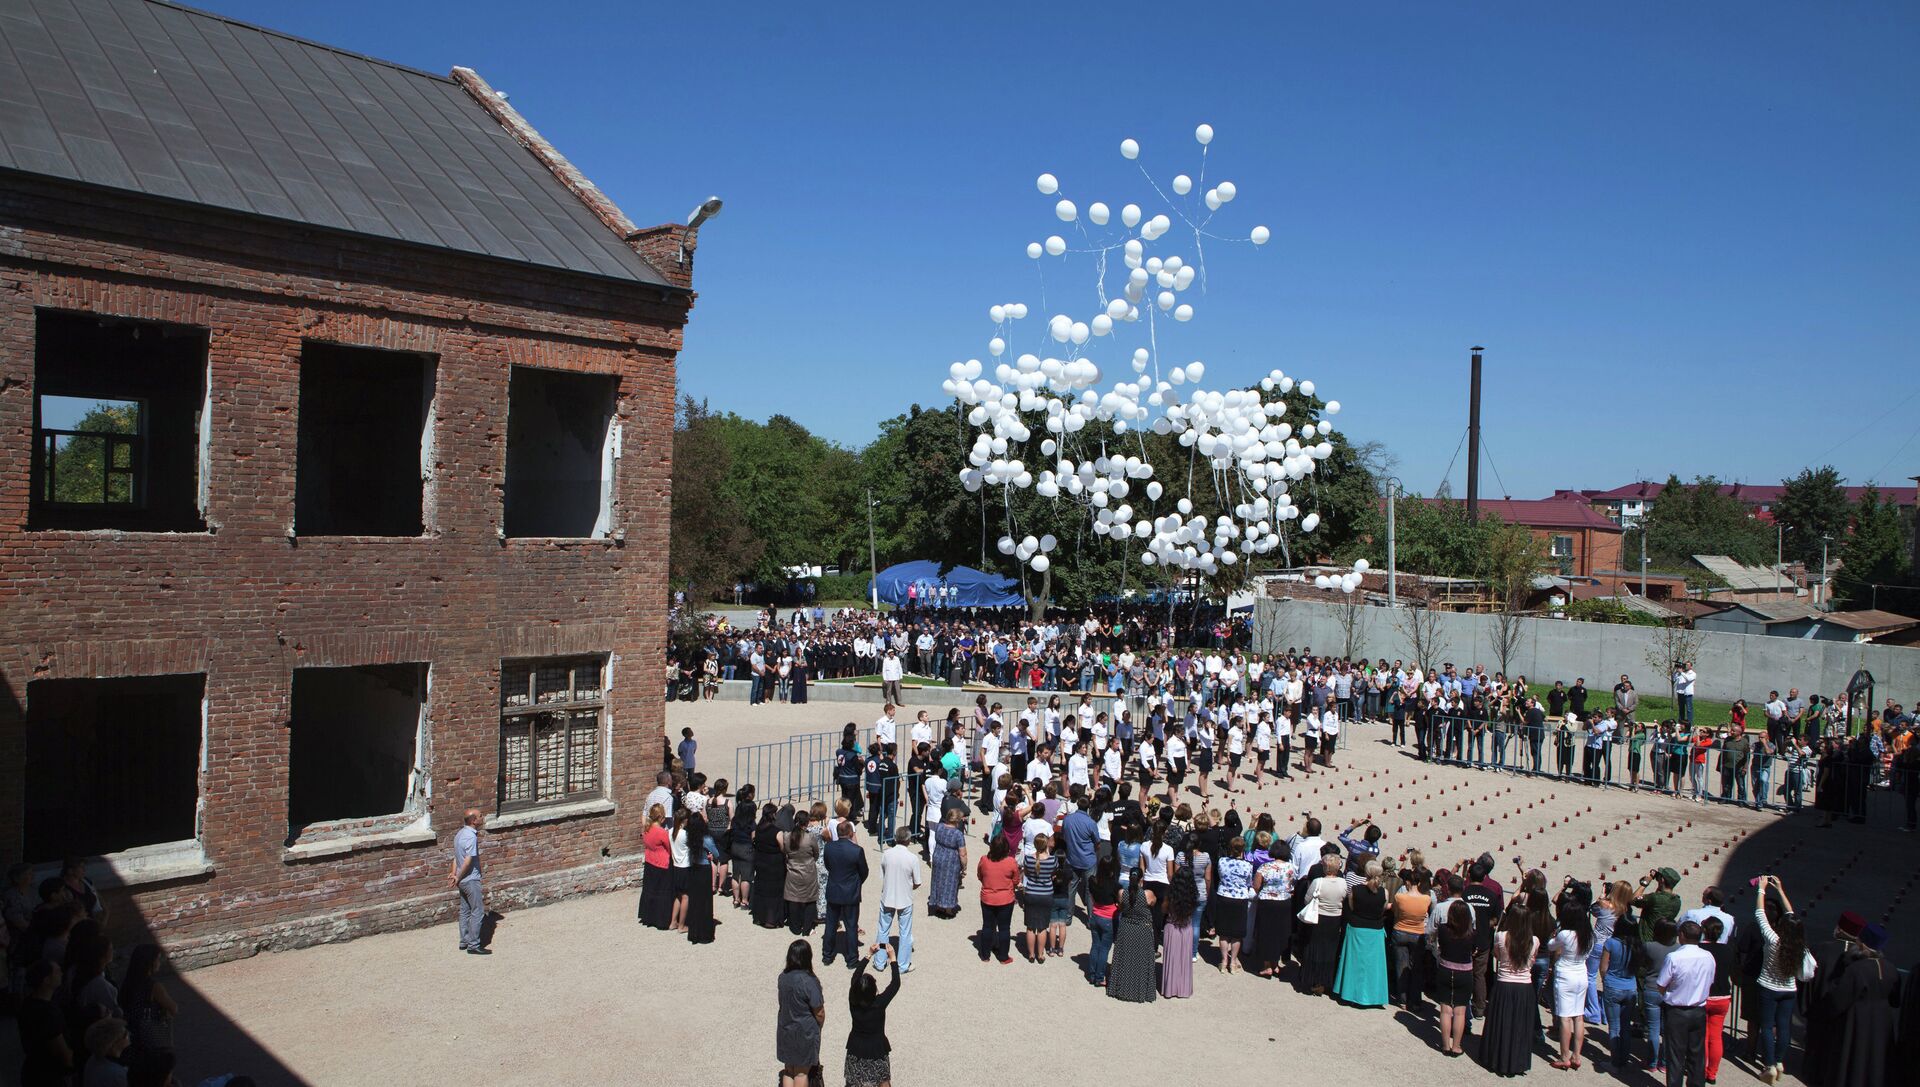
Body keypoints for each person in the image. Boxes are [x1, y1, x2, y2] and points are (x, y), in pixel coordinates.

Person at [1749, 877, 1813, 1084]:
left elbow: (1760, 914)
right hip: (1789, 989)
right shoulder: (1800, 948)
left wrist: (1762, 890)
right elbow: (1792, 915)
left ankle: (1768, 1066)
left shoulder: (1773, 940)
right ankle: (1778, 1061)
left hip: (1768, 987)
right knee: (1784, 1026)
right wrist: (1781, 890)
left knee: (1767, 1027)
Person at [1481, 903, 1539, 1075]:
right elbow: (1533, 961)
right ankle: (1516, 1061)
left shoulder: (1500, 936)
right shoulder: (1534, 941)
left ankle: (1497, 1057)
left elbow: (1497, 955)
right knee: (1520, 1026)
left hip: (1504, 984)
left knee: (1501, 1023)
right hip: (1524, 987)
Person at [1657, 920, 1715, 1087]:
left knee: (1675, 1055)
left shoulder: (1675, 957)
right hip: (1699, 1010)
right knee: (1697, 1054)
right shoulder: (1708, 956)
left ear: (1681, 936)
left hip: (1676, 1011)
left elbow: (1661, 985)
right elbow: (1710, 980)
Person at [1334, 860, 1389, 1007]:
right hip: (1375, 931)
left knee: (1354, 963)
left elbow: (1352, 907)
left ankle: (1350, 993)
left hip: (1357, 928)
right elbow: (1382, 909)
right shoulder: (1384, 892)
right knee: (1373, 966)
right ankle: (1372, 996)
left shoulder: (1356, 890)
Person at [844, 948, 900, 1087]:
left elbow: (855, 977)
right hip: (876, 1046)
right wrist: (893, 958)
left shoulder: (853, 1000)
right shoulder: (879, 1003)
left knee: (854, 1082)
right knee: (883, 1080)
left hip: (856, 1045)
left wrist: (868, 955)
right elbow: (895, 984)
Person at [776, 940, 825, 1087]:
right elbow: (819, 1012)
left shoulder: (783, 977)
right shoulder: (809, 981)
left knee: (789, 1069)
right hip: (804, 1032)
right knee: (801, 1072)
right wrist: (819, 1026)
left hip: (786, 1028)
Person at [1107, 863, 1157, 1003]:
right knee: (1141, 960)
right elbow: (1153, 903)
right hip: (1142, 929)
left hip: (1126, 928)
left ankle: (1120, 988)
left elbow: (1121, 907)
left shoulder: (1122, 893)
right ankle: (1139, 991)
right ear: (1142, 879)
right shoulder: (1148, 894)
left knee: (1124, 959)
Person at [116, 945, 175, 1061]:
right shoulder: (153, 986)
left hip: (132, 1032)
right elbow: (173, 1008)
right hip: (149, 1035)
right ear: (150, 962)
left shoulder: (128, 982)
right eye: (157, 959)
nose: (159, 962)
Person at [874, 827, 921, 973]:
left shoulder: (887, 854)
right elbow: (917, 882)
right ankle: (902, 965)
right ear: (908, 839)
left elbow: (883, 874)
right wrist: (908, 887)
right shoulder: (912, 858)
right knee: (905, 932)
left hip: (887, 896)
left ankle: (880, 962)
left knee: (883, 930)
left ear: (895, 838)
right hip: (905, 899)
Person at [1298, 854, 1346, 995]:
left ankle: (1312, 979)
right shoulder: (1343, 883)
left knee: (1314, 948)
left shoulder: (1318, 882)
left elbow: (1307, 899)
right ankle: (1324, 981)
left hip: (1318, 917)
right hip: (1335, 919)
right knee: (1329, 951)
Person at [18, 959, 71, 1087]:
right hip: (47, 1077)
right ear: (46, 980)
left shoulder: (28, 1003)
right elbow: (62, 1054)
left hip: (32, 1070)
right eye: (57, 972)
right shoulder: (47, 1014)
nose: (62, 973)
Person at [822, 821, 868, 968]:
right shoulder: (856, 850)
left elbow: (828, 865)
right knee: (851, 925)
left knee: (830, 924)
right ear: (850, 833)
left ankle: (827, 955)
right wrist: (856, 883)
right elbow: (864, 871)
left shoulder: (829, 847)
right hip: (850, 892)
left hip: (834, 889)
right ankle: (852, 959)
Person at [1249, 840, 1293, 978]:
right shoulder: (1291, 867)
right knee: (1279, 933)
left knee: (1265, 933)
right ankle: (1275, 963)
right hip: (1284, 902)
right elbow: (1291, 885)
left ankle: (1267, 965)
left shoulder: (1264, 867)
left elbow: (1256, 886)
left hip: (1267, 903)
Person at [975, 835, 1018, 965]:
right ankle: (1003, 956)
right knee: (1004, 928)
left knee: (987, 926)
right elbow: (1016, 880)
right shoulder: (1011, 862)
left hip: (988, 898)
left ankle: (985, 954)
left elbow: (980, 875)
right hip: (1005, 900)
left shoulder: (984, 860)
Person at [450, 808, 488, 954]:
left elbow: (455, 857)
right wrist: (458, 876)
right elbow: (467, 860)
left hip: (462, 880)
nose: (482, 817)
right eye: (480, 816)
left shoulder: (459, 834)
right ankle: (473, 945)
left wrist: (454, 874)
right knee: (477, 911)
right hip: (470, 879)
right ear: (473, 821)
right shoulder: (471, 837)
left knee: (465, 911)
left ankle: (464, 941)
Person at [1159, 865, 1197, 998]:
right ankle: (1183, 989)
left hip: (1172, 927)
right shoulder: (1193, 895)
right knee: (1184, 960)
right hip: (1186, 928)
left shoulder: (1170, 893)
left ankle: (1170, 988)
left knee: (1172, 959)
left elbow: (1164, 910)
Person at [1085, 849, 1121, 987]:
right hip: (1108, 919)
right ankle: (1100, 978)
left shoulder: (1093, 881)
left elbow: (1092, 898)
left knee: (1095, 946)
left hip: (1095, 916)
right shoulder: (1115, 886)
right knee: (1104, 949)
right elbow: (1120, 902)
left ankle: (1092, 974)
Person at [784, 813, 821, 936]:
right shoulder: (810, 838)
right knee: (810, 900)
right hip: (808, 872)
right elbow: (816, 853)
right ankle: (807, 928)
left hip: (793, 872)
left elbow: (786, 852)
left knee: (793, 899)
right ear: (806, 823)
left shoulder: (787, 836)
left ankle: (795, 927)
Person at [751, 804, 788, 929]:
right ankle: (771, 919)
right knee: (774, 892)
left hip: (761, 862)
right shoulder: (777, 832)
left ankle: (760, 916)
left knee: (762, 890)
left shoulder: (758, 829)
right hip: (774, 864)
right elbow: (783, 848)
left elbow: (753, 841)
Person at [928, 807, 966, 918]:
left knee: (938, 880)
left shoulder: (939, 827)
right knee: (950, 884)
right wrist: (964, 866)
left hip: (938, 856)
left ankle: (939, 905)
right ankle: (948, 909)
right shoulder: (958, 834)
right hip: (951, 860)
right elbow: (962, 853)